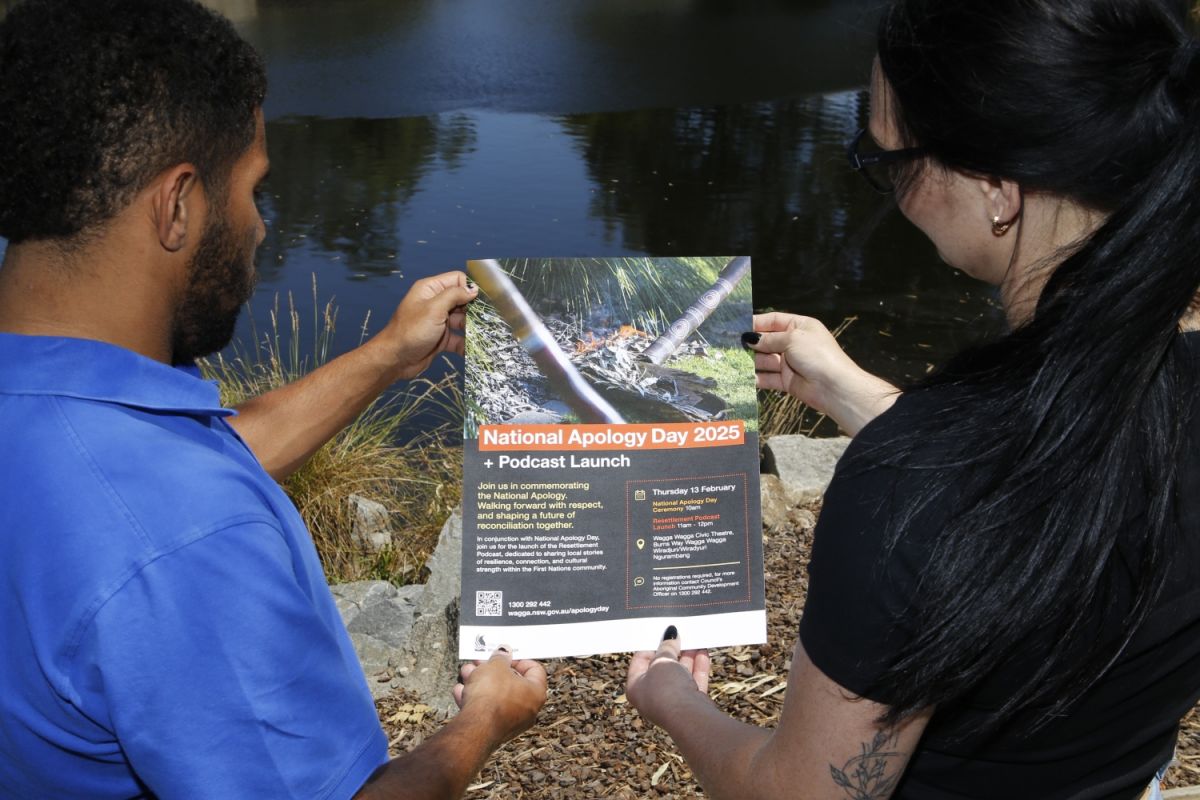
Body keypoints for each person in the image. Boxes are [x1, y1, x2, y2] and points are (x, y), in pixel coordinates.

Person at [625, 0, 1200, 797]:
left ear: (997, 187)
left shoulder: (904, 492)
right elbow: (1046, 467)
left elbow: (805, 793)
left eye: (889, 161)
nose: (890, 189)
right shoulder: (1173, 381)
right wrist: (853, 391)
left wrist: (671, 698)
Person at [0, 0, 546, 797]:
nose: (260, 227)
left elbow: (179, 471)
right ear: (177, 204)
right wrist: (481, 723)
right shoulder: (188, 540)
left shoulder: (74, 419)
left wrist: (391, 354)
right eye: (253, 188)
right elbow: (168, 526)